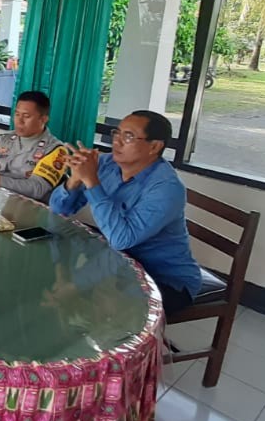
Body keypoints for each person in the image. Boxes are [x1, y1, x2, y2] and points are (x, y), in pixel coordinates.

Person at [49, 110, 202, 315]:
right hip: (116, 261)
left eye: (128, 136)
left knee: (103, 308)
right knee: (49, 271)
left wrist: (92, 181)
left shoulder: (166, 188)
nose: (117, 142)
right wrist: (75, 179)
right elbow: (59, 210)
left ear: (154, 146)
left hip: (164, 278)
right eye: (117, 133)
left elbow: (122, 239)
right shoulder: (107, 164)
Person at [0, 91, 68, 202]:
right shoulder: (5, 139)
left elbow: (37, 189)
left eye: (26, 116)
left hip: (28, 206)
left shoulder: (56, 151)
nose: (19, 121)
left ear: (43, 119)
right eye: (17, 114)